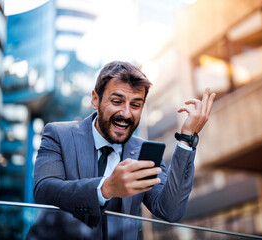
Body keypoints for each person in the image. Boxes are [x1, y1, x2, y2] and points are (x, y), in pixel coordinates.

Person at [26, 61, 215, 239]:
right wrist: (106, 188)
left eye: (135, 105)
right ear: (95, 100)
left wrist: (187, 138)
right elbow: (44, 190)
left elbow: (170, 211)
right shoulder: (58, 134)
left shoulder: (142, 151)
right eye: (117, 101)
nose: (126, 113)